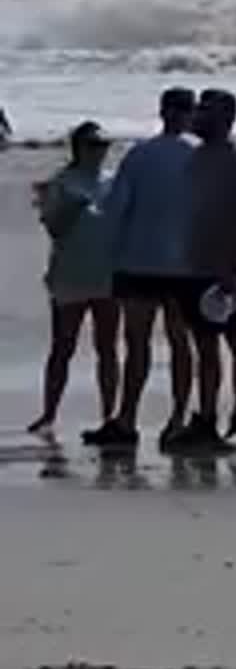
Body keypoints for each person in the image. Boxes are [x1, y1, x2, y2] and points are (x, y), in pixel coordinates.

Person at [94, 87, 200, 451]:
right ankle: (178, 418)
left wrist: (108, 254)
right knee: (179, 341)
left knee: (136, 343)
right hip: (183, 264)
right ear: (190, 115)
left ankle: (127, 418)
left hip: (138, 260)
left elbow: (116, 208)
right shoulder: (196, 157)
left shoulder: (139, 155)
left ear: (162, 112)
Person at [177, 88, 236, 454]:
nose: (196, 117)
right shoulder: (193, 159)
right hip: (193, 265)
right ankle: (207, 416)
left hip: (226, 267)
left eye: (205, 111)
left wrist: (235, 270)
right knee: (204, 346)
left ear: (225, 119)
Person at [30, 122, 122, 438]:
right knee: (63, 346)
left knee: (107, 347)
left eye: (104, 145)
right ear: (79, 148)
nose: (100, 151)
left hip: (107, 274)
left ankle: (110, 413)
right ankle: (49, 413)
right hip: (70, 275)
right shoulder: (61, 183)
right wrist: (72, 209)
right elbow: (54, 228)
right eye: (94, 145)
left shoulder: (113, 182)